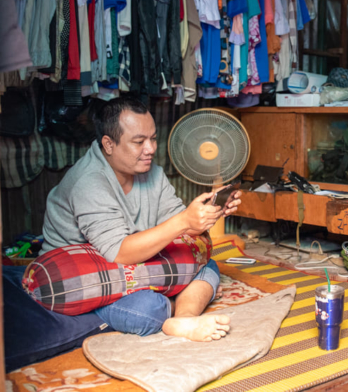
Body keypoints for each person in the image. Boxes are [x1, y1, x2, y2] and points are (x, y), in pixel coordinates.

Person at [41, 97, 242, 342]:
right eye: (139, 142)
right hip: (86, 277)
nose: (151, 149)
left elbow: (182, 228)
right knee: (149, 308)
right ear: (108, 144)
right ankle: (176, 302)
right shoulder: (88, 183)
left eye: (153, 138)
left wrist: (208, 212)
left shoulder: (152, 173)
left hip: (137, 265)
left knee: (205, 263)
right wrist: (183, 221)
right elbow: (120, 253)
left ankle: (185, 318)